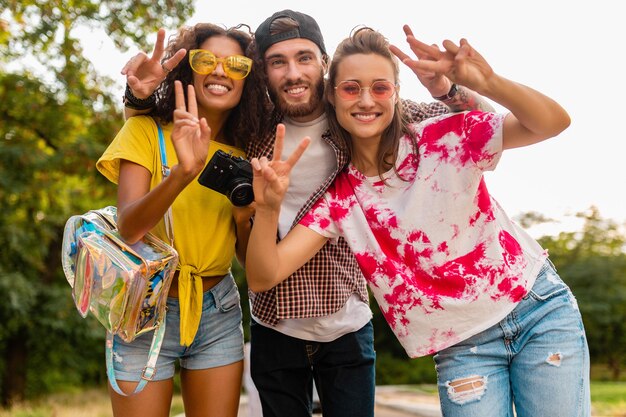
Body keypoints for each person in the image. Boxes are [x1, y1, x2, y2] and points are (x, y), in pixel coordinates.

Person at [120, 10, 493, 417]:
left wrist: (449, 87)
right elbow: (180, 127)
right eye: (277, 62)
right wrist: (138, 98)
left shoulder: (358, 115)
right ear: (262, 73)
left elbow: (472, 121)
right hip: (274, 323)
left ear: (324, 63)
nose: (293, 72)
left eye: (304, 58)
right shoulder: (251, 131)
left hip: (347, 321)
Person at [246, 27, 591, 417]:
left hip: (537, 309)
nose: (365, 101)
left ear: (395, 92)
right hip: (462, 344)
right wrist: (269, 208)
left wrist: (488, 82)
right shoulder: (341, 200)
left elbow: (552, 122)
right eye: (350, 88)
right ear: (331, 94)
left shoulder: (444, 137)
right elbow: (263, 275)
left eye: (379, 88)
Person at [96, 23, 267, 417]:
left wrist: (245, 216)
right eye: (207, 60)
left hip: (217, 310)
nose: (221, 71)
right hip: (145, 306)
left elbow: (245, 255)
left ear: (248, 80)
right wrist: (182, 174)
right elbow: (129, 228)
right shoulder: (144, 130)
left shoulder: (247, 152)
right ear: (188, 68)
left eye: (236, 65)